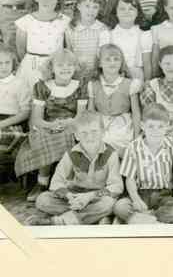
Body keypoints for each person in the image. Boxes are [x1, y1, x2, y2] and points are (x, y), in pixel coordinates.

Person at [15, 49, 88, 202]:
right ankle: (42, 182)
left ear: (75, 67)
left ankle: (66, 184)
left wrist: (68, 123)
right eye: (60, 65)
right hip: (47, 124)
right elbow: (37, 119)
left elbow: (81, 116)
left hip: (72, 124)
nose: (65, 68)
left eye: (70, 65)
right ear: (52, 68)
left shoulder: (80, 86)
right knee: (45, 137)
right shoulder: (42, 86)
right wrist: (50, 125)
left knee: (68, 136)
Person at [27, 110, 123, 225]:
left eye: (94, 131)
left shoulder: (111, 154)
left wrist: (89, 196)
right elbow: (56, 182)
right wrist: (69, 196)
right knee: (43, 200)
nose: (90, 137)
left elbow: (116, 187)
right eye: (84, 133)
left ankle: (59, 221)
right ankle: (91, 217)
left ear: (103, 132)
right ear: (76, 135)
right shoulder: (71, 154)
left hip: (96, 197)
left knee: (109, 204)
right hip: (74, 195)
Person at [113, 103, 173, 224]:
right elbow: (130, 179)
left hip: (163, 195)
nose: (155, 131)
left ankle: (146, 218)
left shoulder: (172, 144)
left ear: (167, 126)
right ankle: (153, 220)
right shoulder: (133, 147)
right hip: (141, 193)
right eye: (151, 126)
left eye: (160, 126)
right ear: (142, 126)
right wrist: (136, 199)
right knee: (120, 207)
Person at [15, 0, 70, 90]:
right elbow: (20, 49)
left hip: (55, 66)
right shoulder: (26, 21)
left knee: (52, 93)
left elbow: (68, 47)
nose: (48, 1)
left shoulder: (64, 21)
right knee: (30, 93)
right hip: (31, 66)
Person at [88, 44, 141, 158]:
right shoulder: (93, 84)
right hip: (101, 121)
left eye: (116, 59)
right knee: (97, 141)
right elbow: (90, 112)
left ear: (121, 62)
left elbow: (136, 113)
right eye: (108, 59)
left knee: (115, 140)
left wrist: (137, 137)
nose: (112, 62)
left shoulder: (130, 84)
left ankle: (118, 163)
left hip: (122, 123)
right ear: (100, 63)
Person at [99, 0, 149, 81]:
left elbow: (147, 63)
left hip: (136, 78)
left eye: (131, 9)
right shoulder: (107, 35)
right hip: (112, 77)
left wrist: (147, 83)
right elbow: (103, 61)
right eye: (122, 9)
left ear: (138, 13)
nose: (127, 12)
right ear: (116, 12)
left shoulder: (144, 35)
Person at [65, 0, 108, 82]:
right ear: (79, 6)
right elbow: (69, 52)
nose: (91, 11)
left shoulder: (103, 29)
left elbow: (104, 54)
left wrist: (96, 71)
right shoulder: (71, 28)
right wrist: (75, 68)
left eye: (95, 7)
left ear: (99, 9)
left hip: (97, 75)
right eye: (87, 6)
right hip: (76, 74)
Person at [0, 44, 30, 175]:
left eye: (7, 62)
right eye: (0, 63)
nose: (3, 66)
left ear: (13, 63)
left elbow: (25, 112)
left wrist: (3, 124)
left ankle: (5, 172)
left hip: (12, 121)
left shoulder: (19, 83)